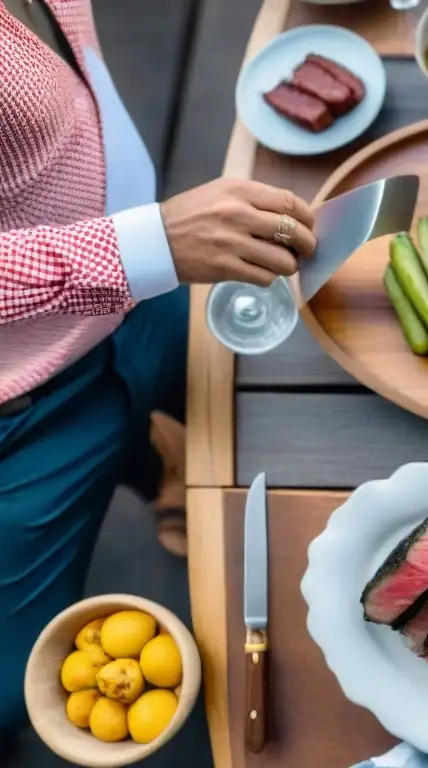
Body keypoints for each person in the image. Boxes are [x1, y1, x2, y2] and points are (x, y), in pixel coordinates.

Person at [0, 0, 318, 737]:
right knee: (13, 691)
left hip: (145, 295)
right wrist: (137, 247)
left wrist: (144, 251)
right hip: (30, 408)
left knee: (276, 421)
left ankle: (160, 475)